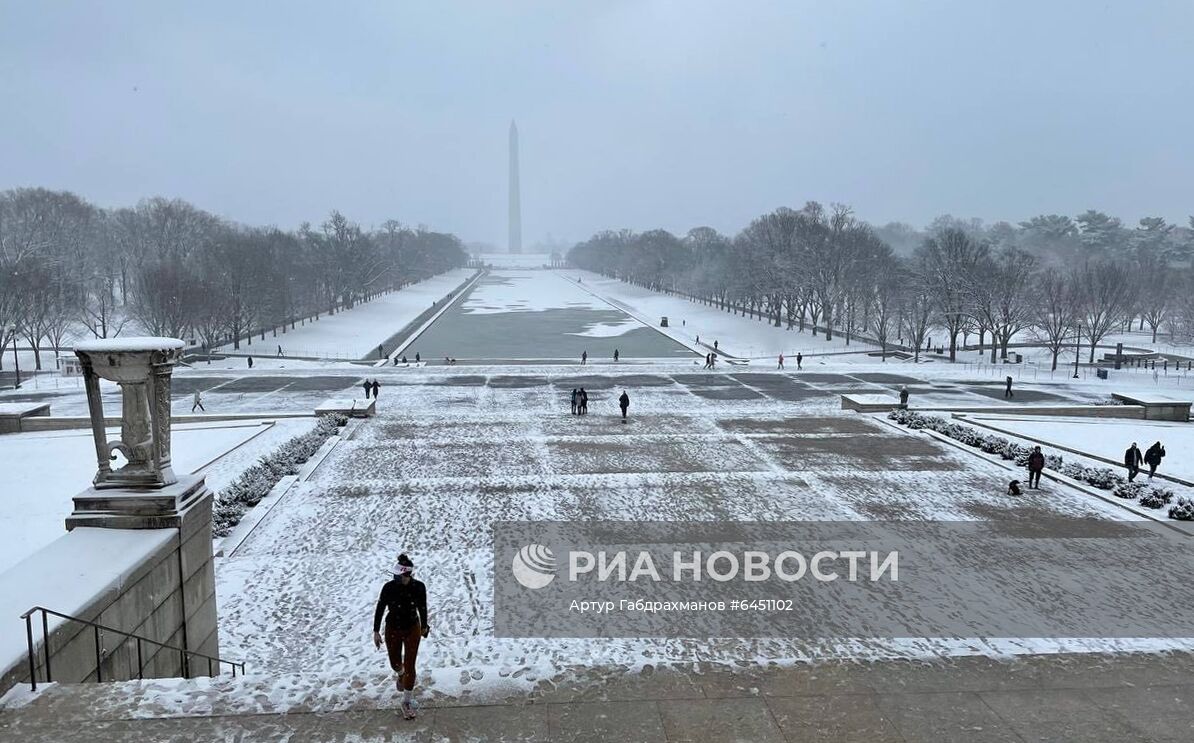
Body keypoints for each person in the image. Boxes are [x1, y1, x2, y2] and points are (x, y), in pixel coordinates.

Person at [373, 554, 429, 720]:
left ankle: (406, 702)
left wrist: (424, 626)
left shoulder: (419, 587)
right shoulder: (388, 587)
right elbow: (380, 607)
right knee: (395, 663)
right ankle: (400, 672)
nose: (395, 578)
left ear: (407, 575)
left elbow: (422, 607)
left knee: (410, 664)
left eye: (398, 576)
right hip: (393, 627)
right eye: (395, 576)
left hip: (412, 627)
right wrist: (376, 631)